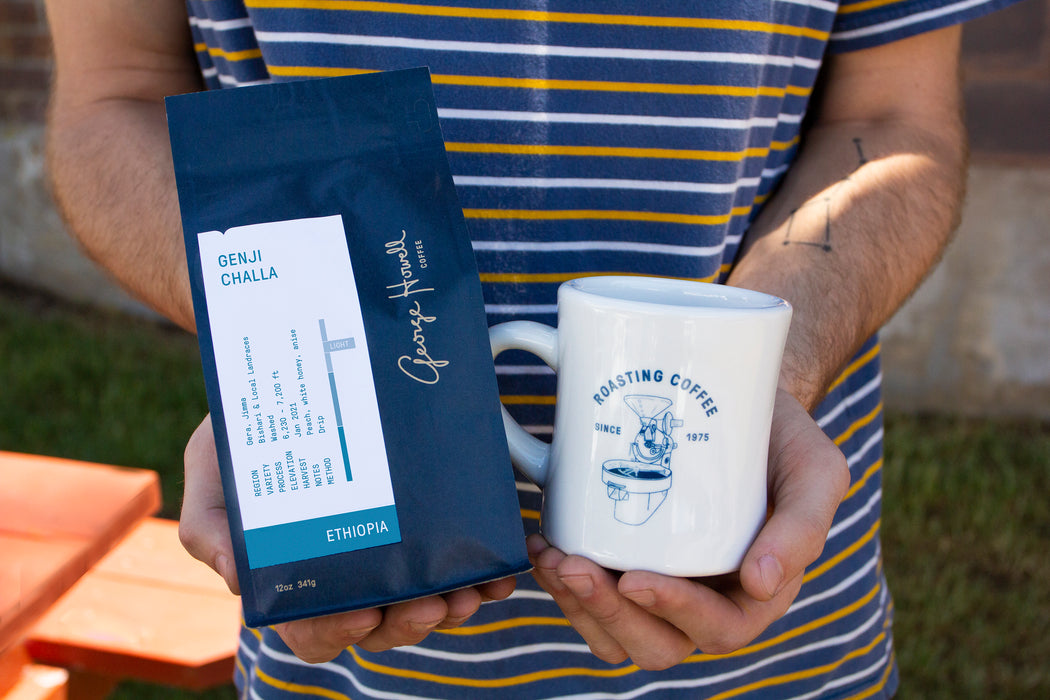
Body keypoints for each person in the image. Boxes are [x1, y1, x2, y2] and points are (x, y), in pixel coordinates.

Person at [41, 0, 1019, 697]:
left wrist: (770, 369)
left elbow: (891, 118)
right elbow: (112, 94)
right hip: (350, 623)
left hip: (772, 620)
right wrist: (275, 356)